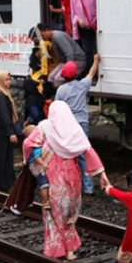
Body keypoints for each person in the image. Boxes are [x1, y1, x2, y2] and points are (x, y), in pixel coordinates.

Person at [21, 101, 109, 260]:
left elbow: (28, 144)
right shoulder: (75, 129)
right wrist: (101, 173)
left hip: (54, 175)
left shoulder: (45, 127)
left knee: (54, 214)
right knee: (70, 212)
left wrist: (33, 160)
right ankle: (70, 251)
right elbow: (89, 150)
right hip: (74, 176)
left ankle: (57, 250)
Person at [55, 54, 101, 195]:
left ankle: (71, 184)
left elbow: (57, 108)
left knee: (68, 155)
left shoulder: (60, 90)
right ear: (76, 74)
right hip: (81, 124)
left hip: (68, 125)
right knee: (83, 155)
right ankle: (88, 187)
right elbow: (91, 73)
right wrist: (96, 61)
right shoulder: (82, 85)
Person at [0, 70, 20, 191]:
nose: (9, 82)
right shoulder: (0, 95)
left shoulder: (2, 93)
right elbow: (4, 114)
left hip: (3, 128)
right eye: (6, 80)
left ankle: (6, 180)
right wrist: (10, 132)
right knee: (3, 154)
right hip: (3, 129)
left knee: (6, 154)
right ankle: (3, 182)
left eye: (9, 79)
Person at [35, 23, 87, 87]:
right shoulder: (52, 38)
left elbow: (69, 53)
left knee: (58, 79)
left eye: (42, 36)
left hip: (78, 60)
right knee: (51, 77)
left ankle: (63, 95)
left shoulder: (58, 37)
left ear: (47, 30)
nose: (42, 39)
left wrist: (67, 69)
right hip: (66, 61)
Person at [70, 0, 97, 65]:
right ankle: (91, 73)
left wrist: (94, 20)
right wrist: (78, 20)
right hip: (84, 28)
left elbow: (100, 8)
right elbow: (73, 13)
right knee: (88, 51)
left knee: (98, 49)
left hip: (96, 26)